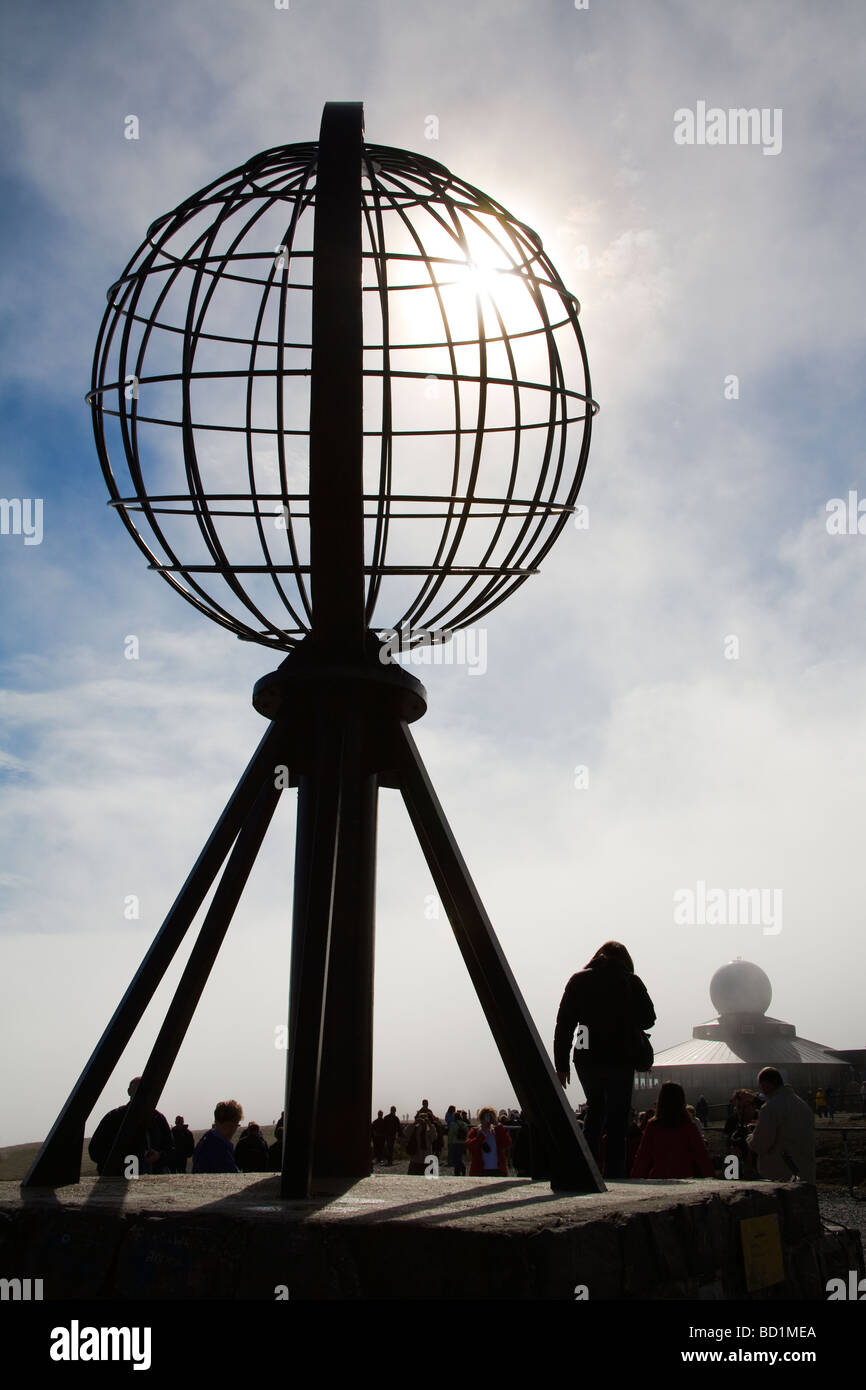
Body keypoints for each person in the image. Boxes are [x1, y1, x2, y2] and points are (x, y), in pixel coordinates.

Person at [554, 940, 656, 1178]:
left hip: (586, 1054)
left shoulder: (578, 980)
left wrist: (561, 1064)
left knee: (595, 1108)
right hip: (621, 1055)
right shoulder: (631, 981)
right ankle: (614, 1173)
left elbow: (565, 1024)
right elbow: (649, 1018)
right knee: (618, 1117)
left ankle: (585, 1169)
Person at [88, 1077, 174, 1176]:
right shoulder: (113, 1118)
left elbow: (171, 1150)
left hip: (154, 1182)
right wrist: (128, 1159)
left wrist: (159, 1156)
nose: (141, 1093)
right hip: (118, 1182)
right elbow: (95, 1151)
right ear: (129, 1092)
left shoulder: (158, 1118)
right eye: (138, 1089)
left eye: (146, 1090)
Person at [746, 1067, 815, 1182]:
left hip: (780, 1172)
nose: (761, 1090)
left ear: (766, 1084)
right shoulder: (802, 1105)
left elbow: (760, 1144)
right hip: (805, 1169)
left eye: (761, 1085)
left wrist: (750, 1136)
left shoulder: (770, 1107)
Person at [631, 1083, 714, 1178]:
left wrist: (635, 1179)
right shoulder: (689, 1127)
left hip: (658, 1177)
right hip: (685, 1177)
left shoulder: (653, 1127)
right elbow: (702, 1157)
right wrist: (711, 1178)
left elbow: (643, 1157)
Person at [192, 1099, 243, 1173]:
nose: (231, 1131)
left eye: (234, 1126)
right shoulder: (216, 1147)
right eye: (228, 1126)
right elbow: (231, 1174)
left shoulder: (207, 1140)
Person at [466, 1107, 512, 1176]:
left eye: (490, 1117)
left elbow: (507, 1143)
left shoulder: (497, 1131)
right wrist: (482, 1134)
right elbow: (470, 1146)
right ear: (481, 1118)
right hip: (480, 1171)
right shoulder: (475, 1131)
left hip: (498, 1171)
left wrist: (497, 1125)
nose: (488, 1119)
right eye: (485, 1117)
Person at [404, 1110, 439, 1175]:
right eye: (421, 1118)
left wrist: (429, 1124)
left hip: (427, 1158)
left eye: (425, 1118)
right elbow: (406, 1133)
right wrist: (414, 1123)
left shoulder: (430, 1127)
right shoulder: (415, 1128)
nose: (423, 1120)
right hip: (416, 1157)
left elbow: (434, 1137)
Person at [447, 1109, 469, 1175]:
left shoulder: (453, 1124)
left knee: (455, 1158)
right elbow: (467, 1133)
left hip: (455, 1143)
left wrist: (449, 1143)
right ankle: (460, 1169)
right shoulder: (464, 1124)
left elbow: (451, 1134)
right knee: (459, 1157)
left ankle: (459, 1170)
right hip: (463, 1143)